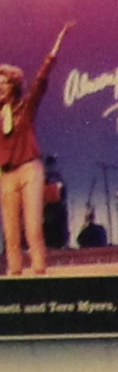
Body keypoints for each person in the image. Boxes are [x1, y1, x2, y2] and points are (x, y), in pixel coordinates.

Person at [0, 20, 65, 278]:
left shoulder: (25, 107)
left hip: (29, 169)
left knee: (33, 226)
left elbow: (41, 78)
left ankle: (39, 273)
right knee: (10, 231)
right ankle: (14, 274)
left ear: (14, 86)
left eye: (4, 83)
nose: (0, 88)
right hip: (6, 174)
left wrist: (58, 43)